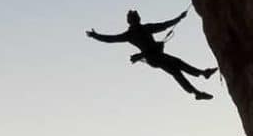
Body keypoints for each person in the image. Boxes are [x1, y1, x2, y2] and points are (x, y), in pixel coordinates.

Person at [86, 9, 218, 100]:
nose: (137, 19)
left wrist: (178, 18)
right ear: (132, 20)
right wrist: (96, 35)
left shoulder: (143, 29)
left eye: (136, 17)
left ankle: (200, 83)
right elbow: (110, 39)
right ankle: (200, 81)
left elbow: (164, 25)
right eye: (135, 18)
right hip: (153, 57)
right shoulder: (132, 34)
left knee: (177, 67)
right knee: (177, 68)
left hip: (155, 55)